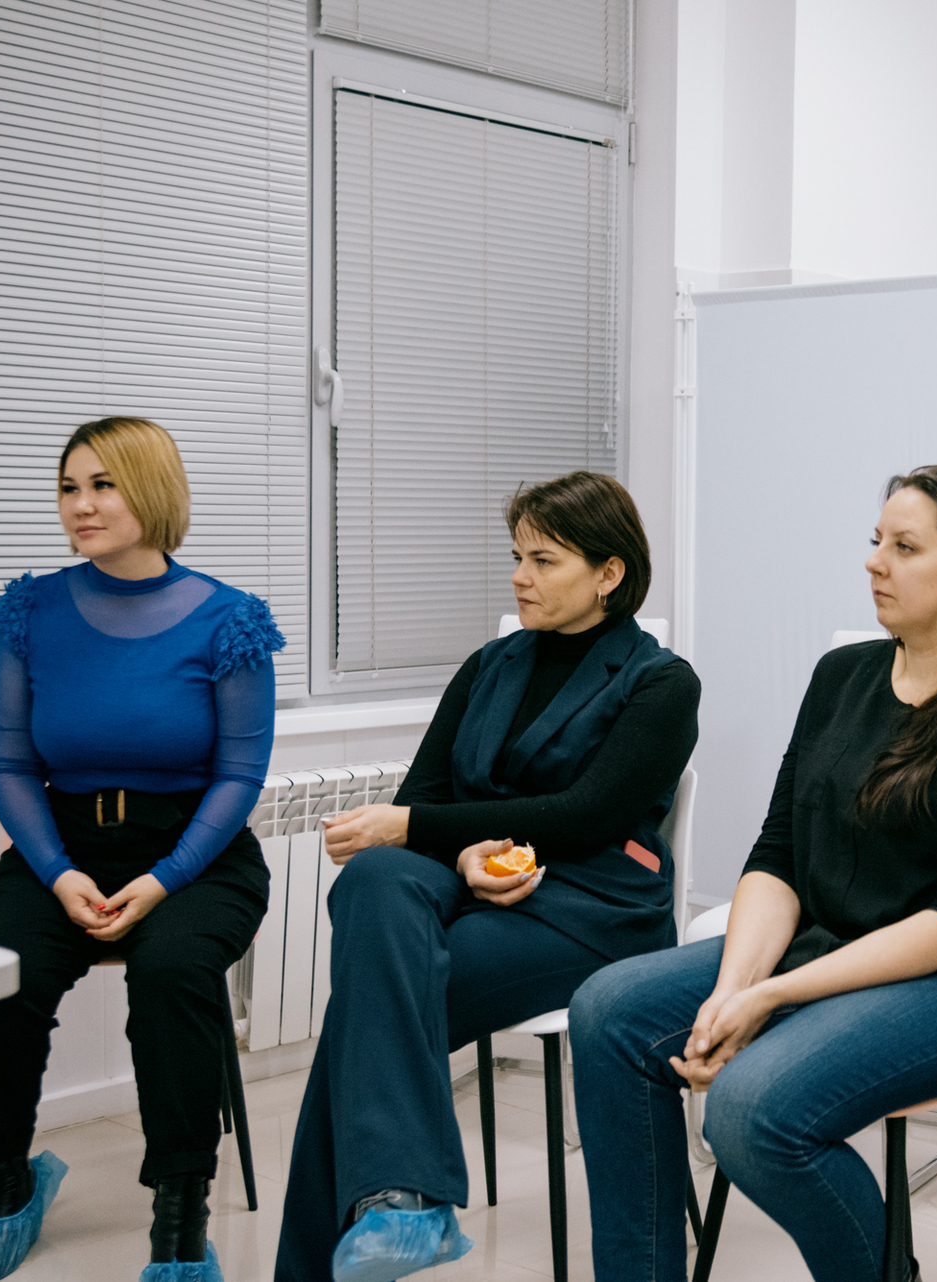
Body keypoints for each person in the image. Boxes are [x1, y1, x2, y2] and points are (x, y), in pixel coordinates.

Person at [571, 465, 937, 1282]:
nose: (874, 561)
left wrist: (771, 995)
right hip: (835, 946)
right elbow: (779, 852)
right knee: (608, 1010)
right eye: (876, 541)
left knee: (754, 1109)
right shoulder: (842, 676)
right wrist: (733, 988)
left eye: (905, 547)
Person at [273, 470, 700, 1282]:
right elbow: (427, 796)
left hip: (589, 909)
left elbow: (584, 816)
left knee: (364, 1017)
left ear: (609, 573)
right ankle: (403, 1204)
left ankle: (392, 1211)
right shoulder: (489, 666)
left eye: (544, 560)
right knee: (373, 880)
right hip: (473, 887)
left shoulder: (661, 683)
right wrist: (466, 852)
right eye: (516, 557)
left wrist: (424, 829)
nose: (519, 577)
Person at [0, 417, 284, 1282]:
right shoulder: (30, 612)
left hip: (196, 852)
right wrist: (58, 872)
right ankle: (7, 1183)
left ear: (151, 489)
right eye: (69, 487)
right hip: (63, 845)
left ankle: (180, 1223)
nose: (81, 504)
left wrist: (164, 878)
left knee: (173, 975)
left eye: (103, 484)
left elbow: (239, 774)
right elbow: (9, 761)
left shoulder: (230, 620)